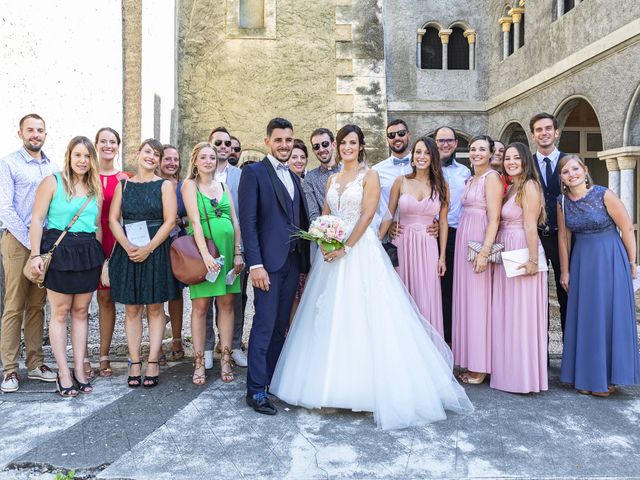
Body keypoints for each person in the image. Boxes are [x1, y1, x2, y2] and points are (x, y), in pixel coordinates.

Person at [270, 124, 472, 430]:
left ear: (361, 146)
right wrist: (326, 242)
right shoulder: (332, 179)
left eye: (353, 142)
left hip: (359, 250)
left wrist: (346, 248)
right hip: (332, 253)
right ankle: (328, 384)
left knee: (366, 315)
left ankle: (366, 387)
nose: (347, 147)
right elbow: (325, 214)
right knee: (329, 315)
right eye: (343, 143)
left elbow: (367, 215)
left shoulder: (371, 176)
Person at [238, 117, 311, 415]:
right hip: (266, 265)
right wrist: (255, 264)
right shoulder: (254, 173)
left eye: (289, 140)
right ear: (268, 141)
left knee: (282, 326)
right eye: (279, 140)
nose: (284, 145)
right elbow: (249, 221)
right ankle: (255, 390)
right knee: (264, 325)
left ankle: (271, 381)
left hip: (292, 262)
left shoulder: (294, 177)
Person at [557, 155, 640, 397]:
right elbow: (564, 238)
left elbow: (626, 227)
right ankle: (587, 375)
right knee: (587, 317)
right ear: (561, 178)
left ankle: (608, 380)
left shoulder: (604, 194)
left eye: (575, 168)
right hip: (582, 261)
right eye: (565, 171)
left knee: (607, 316)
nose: (571, 174)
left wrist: (631, 262)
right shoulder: (562, 202)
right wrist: (565, 270)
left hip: (610, 258)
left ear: (584, 170)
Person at [28, 136, 105, 396]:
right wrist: (35, 255)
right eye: (78, 155)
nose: (82, 161)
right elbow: (37, 220)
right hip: (59, 250)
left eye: (87, 156)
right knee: (60, 313)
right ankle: (63, 372)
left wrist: (102, 259)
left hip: (87, 252)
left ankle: (80, 370)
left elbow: (98, 228)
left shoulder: (95, 188)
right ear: (69, 157)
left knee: (81, 312)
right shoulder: (53, 181)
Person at [108, 139, 179, 388]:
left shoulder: (164, 186)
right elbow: (113, 219)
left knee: (155, 308)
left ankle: (153, 361)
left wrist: (148, 248)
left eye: (156, 154)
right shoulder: (123, 186)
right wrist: (128, 246)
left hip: (155, 251)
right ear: (138, 154)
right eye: (148, 152)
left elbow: (170, 221)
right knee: (132, 309)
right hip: (128, 251)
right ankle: (135, 361)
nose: (151, 157)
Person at [0, 113, 57, 393]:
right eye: (30, 130)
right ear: (20, 133)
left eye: (40, 130)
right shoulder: (8, 164)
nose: (35, 134)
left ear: (45, 134)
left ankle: (35, 363)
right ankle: (10, 369)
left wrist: (42, 246)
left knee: (37, 305)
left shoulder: (53, 167)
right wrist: (29, 243)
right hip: (17, 241)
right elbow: (5, 209)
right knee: (14, 305)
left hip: (44, 244)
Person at [183, 142, 243, 385]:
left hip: (228, 253)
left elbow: (235, 222)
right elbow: (195, 223)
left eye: (212, 157)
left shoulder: (224, 186)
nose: (208, 161)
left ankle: (226, 359)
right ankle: (199, 361)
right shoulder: (190, 185)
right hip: (204, 253)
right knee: (200, 307)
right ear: (195, 161)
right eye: (203, 157)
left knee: (228, 305)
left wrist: (238, 253)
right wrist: (205, 256)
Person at [491, 142, 548, 394]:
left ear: (525, 161)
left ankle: (523, 378)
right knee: (508, 314)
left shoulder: (530, 186)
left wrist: (534, 261)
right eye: (507, 158)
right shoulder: (511, 186)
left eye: (516, 158)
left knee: (522, 316)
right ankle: (509, 372)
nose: (511, 162)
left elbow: (530, 226)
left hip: (522, 251)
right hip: (507, 250)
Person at [380, 136, 449, 337]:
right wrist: (376, 239)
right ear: (412, 156)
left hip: (428, 246)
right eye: (418, 152)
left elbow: (443, 222)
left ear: (433, 157)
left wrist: (442, 256)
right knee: (402, 294)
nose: (421, 156)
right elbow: (388, 214)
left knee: (427, 296)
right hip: (402, 243)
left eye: (426, 152)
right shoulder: (400, 181)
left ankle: (429, 349)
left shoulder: (442, 186)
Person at [452, 135, 503, 385]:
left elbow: (494, 218)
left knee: (479, 302)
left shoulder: (491, 178)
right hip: (464, 237)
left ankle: (481, 365)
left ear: (491, 153)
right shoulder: (470, 178)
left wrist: (485, 252)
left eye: (482, 149)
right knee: (467, 301)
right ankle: (470, 358)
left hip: (479, 238)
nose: (476, 153)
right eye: (472, 149)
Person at [205, 127, 247, 369]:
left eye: (227, 143)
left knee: (235, 299)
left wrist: (240, 248)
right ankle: (209, 347)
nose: (223, 146)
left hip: (234, 246)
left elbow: (243, 213)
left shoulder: (240, 176)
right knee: (207, 297)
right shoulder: (199, 176)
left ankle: (234, 345)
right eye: (218, 142)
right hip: (208, 246)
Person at [94, 127, 129, 378]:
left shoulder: (125, 178)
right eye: (103, 141)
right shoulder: (86, 176)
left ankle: (134, 353)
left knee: (129, 299)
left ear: (118, 146)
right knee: (102, 299)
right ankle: (103, 354)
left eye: (112, 141)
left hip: (120, 242)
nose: (108, 145)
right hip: (93, 241)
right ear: (96, 145)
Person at [530, 112, 567, 336]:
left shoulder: (568, 162)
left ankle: (570, 360)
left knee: (567, 295)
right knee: (536, 299)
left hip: (564, 237)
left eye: (547, 129)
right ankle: (539, 359)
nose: (543, 133)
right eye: (538, 130)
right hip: (534, 237)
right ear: (533, 136)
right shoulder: (527, 164)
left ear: (556, 132)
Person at [436, 126, 471, 345]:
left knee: (451, 289)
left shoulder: (465, 172)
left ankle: (450, 341)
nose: (445, 144)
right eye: (441, 140)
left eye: (449, 140)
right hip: (430, 234)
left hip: (456, 234)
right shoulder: (426, 169)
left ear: (456, 144)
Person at [159, 144, 186, 362]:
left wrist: (181, 220)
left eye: (175, 159)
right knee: (156, 295)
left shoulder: (185, 186)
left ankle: (177, 339)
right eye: (167, 159)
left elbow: (192, 213)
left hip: (179, 244)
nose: (172, 163)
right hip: (157, 243)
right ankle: (157, 343)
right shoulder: (153, 184)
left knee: (176, 295)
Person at [372, 119, 413, 232]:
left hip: (419, 233)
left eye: (401, 133)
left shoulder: (421, 166)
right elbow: (373, 207)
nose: (396, 138)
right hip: (389, 237)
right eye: (391, 135)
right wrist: (386, 225)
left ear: (408, 135)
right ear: (387, 140)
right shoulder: (376, 170)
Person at [288, 139, 309, 322]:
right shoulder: (283, 183)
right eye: (294, 157)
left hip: (308, 246)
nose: (298, 161)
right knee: (292, 296)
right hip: (290, 246)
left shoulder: (306, 183)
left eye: (302, 157)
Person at [303, 128, 339, 223]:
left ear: (333, 144)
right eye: (316, 146)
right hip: (326, 232)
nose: (321, 149)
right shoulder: (310, 178)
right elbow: (313, 213)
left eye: (325, 144)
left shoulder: (347, 170)